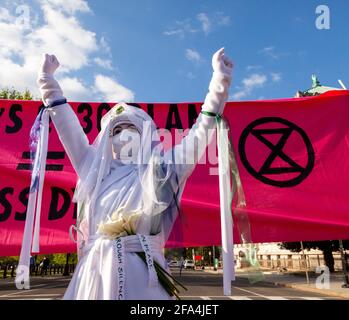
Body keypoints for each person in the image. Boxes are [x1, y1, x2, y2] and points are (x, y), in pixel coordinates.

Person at [31, 48, 233, 300]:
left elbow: (200, 133)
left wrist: (219, 83)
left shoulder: (162, 171)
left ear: (145, 135)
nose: (124, 135)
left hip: (145, 280)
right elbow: (67, 126)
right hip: (95, 277)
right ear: (107, 138)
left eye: (131, 128)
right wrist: (47, 82)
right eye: (117, 130)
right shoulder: (93, 169)